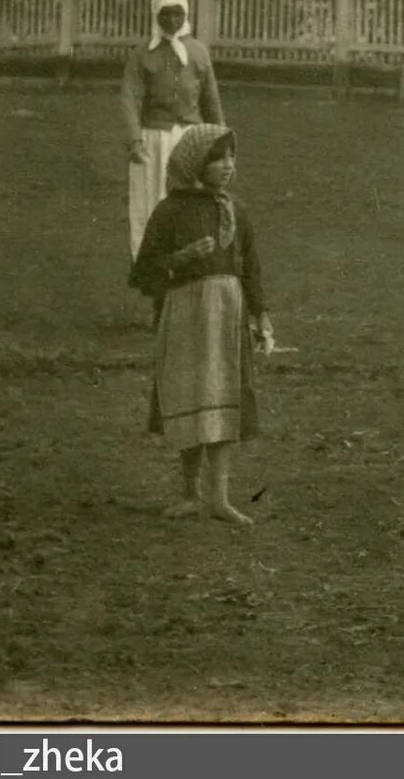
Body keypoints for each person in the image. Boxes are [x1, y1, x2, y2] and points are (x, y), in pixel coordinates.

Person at [127, 123, 269, 525]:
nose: (227, 166)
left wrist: (261, 314)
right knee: (189, 397)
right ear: (194, 164)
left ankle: (220, 497)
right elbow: (143, 273)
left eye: (231, 157)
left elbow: (252, 267)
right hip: (186, 314)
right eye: (217, 158)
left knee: (225, 396)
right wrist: (181, 258)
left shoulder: (235, 210)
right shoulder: (170, 211)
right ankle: (190, 493)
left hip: (227, 314)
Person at [120, 0, 224, 261]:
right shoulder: (142, 54)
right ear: (155, 14)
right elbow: (130, 97)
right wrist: (134, 140)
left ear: (186, 13)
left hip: (190, 139)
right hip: (154, 139)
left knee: (191, 197)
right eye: (165, 14)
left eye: (177, 13)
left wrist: (220, 145)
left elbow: (211, 101)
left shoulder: (199, 53)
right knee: (153, 196)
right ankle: (153, 258)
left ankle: (193, 253)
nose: (171, 20)